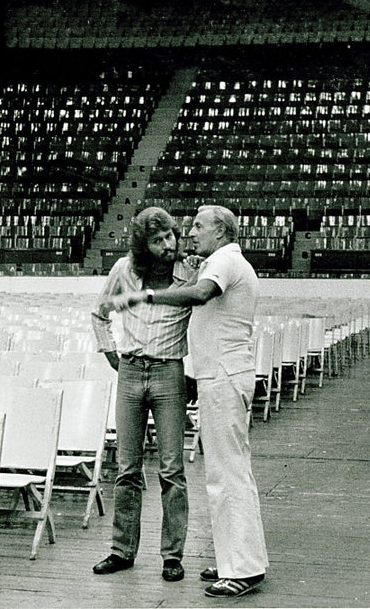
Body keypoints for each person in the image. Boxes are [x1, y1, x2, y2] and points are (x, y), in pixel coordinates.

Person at [107, 205, 269, 598]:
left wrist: (150, 295)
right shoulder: (222, 259)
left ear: (222, 232)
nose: (191, 233)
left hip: (225, 377)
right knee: (226, 474)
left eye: (199, 226)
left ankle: (243, 569)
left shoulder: (225, 263)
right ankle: (237, 559)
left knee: (227, 475)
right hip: (218, 376)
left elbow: (199, 294)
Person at [90, 206, 196, 583]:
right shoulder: (125, 270)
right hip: (131, 371)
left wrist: (194, 371)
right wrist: (110, 353)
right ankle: (122, 551)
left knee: (172, 470)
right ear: (143, 246)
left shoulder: (191, 272)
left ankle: (172, 555)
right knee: (127, 469)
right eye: (158, 240)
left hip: (170, 372)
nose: (168, 244)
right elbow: (100, 313)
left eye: (170, 235)